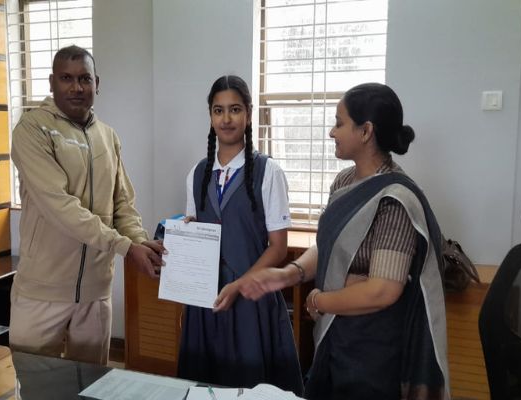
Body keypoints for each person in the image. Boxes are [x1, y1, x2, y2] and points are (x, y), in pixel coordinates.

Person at [238, 83, 449, 399]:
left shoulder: (394, 201)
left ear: (366, 131)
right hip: (335, 336)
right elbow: (329, 247)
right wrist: (288, 274)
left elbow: (382, 290)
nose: (331, 132)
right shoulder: (344, 182)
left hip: (373, 351)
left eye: (339, 123)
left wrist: (318, 301)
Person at [9, 45, 163, 365]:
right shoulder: (32, 129)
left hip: (95, 292)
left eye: (84, 79)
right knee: (35, 382)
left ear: (97, 83)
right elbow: (60, 207)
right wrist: (124, 247)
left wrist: (139, 241)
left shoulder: (108, 136)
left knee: (91, 383)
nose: (76, 87)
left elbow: (122, 204)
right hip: (42, 291)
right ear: (52, 82)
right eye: (66, 78)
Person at [176, 75, 303, 394]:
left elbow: (278, 247)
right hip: (206, 302)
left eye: (235, 109)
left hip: (251, 298)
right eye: (218, 110)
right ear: (210, 116)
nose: (226, 119)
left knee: (251, 388)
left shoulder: (268, 171)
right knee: (205, 386)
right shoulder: (197, 174)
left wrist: (239, 285)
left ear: (248, 113)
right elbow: (194, 233)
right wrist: (181, 236)